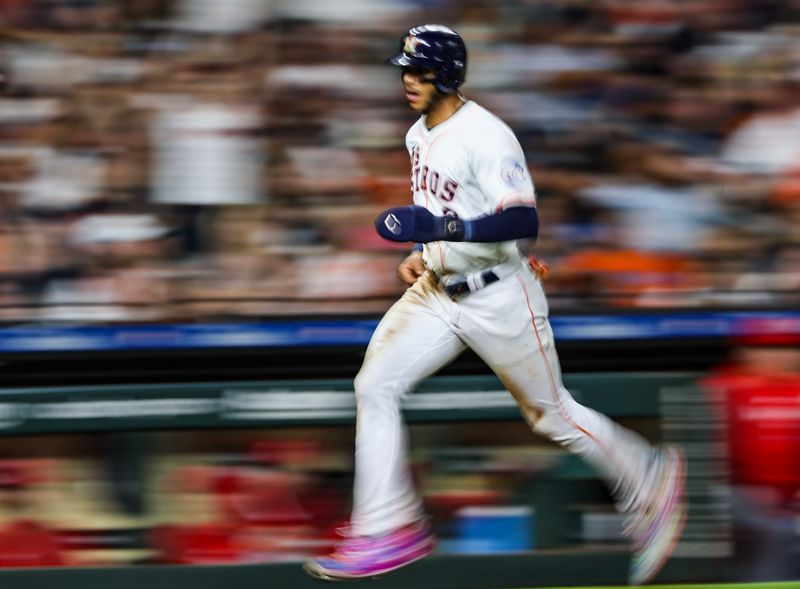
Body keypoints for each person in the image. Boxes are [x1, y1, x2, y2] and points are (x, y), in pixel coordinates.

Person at [303, 24, 686, 585]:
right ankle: (388, 528)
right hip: (438, 291)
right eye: (404, 69)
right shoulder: (417, 135)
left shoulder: (488, 135)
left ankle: (648, 477)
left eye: (418, 70)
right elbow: (437, 206)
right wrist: (422, 249)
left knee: (552, 415)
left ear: (448, 74)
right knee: (374, 384)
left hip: (499, 293)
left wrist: (441, 227)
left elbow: (523, 219)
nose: (408, 79)